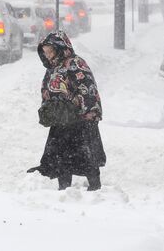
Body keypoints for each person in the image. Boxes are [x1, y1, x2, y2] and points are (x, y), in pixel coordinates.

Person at [28, 31, 106, 191]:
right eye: (45, 52)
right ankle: (64, 189)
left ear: (60, 48)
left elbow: (88, 89)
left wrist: (84, 111)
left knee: (86, 154)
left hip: (80, 120)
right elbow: (48, 90)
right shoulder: (52, 68)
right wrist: (48, 109)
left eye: (50, 51)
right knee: (61, 155)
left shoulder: (75, 64)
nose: (47, 55)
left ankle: (95, 187)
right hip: (62, 120)